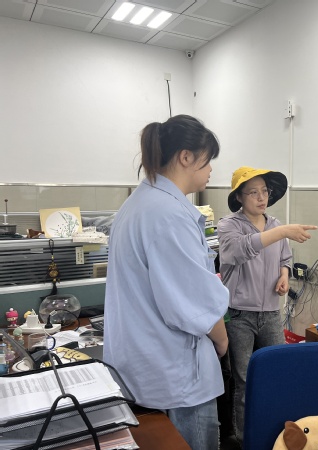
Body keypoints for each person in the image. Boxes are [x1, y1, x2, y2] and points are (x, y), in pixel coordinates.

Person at [103, 115, 229, 450]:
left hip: (144, 366)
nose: (211, 170)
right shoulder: (169, 213)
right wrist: (221, 340)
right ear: (186, 157)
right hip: (175, 375)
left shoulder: (138, 203)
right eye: (208, 160)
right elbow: (194, 304)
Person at [218, 166, 317, 444]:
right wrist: (282, 231)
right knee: (244, 379)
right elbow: (239, 250)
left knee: (277, 371)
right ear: (239, 197)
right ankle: (243, 438)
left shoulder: (274, 224)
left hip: (271, 313)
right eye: (253, 192)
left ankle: (276, 434)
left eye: (265, 191)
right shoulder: (229, 225)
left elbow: (284, 257)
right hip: (239, 314)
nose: (261, 197)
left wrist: (284, 275)